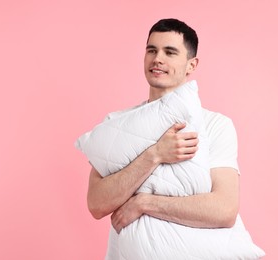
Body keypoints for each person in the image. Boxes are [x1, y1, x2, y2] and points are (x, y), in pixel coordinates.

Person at [86, 18, 256, 259]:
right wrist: (155, 154)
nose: (158, 59)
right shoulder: (116, 124)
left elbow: (224, 209)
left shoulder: (216, 125)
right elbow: (96, 204)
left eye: (170, 52)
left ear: (191, 65)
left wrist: (144, 203)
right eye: (151, 50)